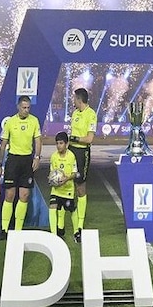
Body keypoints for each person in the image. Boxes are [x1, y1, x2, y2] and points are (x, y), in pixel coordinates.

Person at [0, 94, 42, 233]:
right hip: (13, 160)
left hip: (26, 160)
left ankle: (18, 230)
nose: (26, 110)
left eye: (28, 108)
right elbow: (3, 145)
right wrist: (0, 165)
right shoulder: (10, 122)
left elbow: (38, 141)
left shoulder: (34, 121)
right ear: (18, 107)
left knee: (24, 195)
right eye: (24, 108)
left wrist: (37, 157)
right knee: (9, 195)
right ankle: (4, 229)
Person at [66, 88, 97, 233]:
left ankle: (80, 223)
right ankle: (67, 219)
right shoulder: (74, 113)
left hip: (82, 153)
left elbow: (89, 139)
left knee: (80, 187)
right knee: (68, 184)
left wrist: (74, 138)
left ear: (79, 99)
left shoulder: (91, 114)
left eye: (74, 99)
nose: (73, 101)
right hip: (71, 152)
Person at [47, 130, 80, 238]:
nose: (58, 146)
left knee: (72, 209)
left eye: (61, 143)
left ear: (66, 144)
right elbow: (52, 173)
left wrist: (67, 178)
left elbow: (75, 173)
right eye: (57, 143)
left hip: (68, 190)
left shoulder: (71, 156)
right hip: (56, 190)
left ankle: (76, 232)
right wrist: (51, 180)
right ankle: (53, 234)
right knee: (52, 207)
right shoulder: (53, 157)